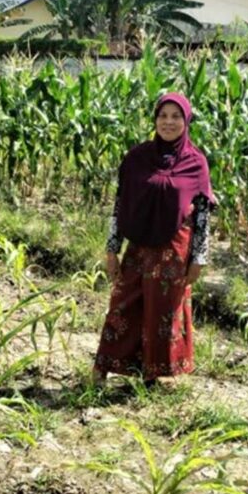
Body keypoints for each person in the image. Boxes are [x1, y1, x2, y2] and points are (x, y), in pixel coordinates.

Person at [92, 92, 216, 388]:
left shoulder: (195, 163)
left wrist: (199, 258)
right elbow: (121, 205)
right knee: (123, 304)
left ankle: (155, 374)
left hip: (174, 251)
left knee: (163, 312)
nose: (168, 122)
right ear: (155, 119)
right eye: (163, 116)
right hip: (138, 248)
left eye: (176, 117)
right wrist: (112, 249)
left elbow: (202, 215)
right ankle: (103, 367)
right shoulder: (137, 158)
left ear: (186, 121)